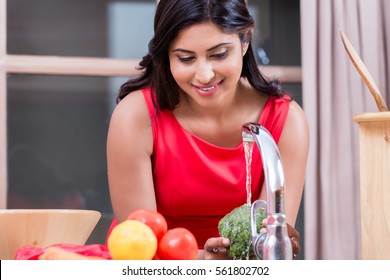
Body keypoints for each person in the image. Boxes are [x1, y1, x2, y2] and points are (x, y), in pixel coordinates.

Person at [106, 0, 309, 260]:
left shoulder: (287, 120)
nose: (204, 75)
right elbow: (139, 247)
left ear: (245, 41)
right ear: (166, 54)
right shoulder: (136, 116)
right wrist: (201, 260)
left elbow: (265, 245)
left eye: (219, 54)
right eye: (186, 58)